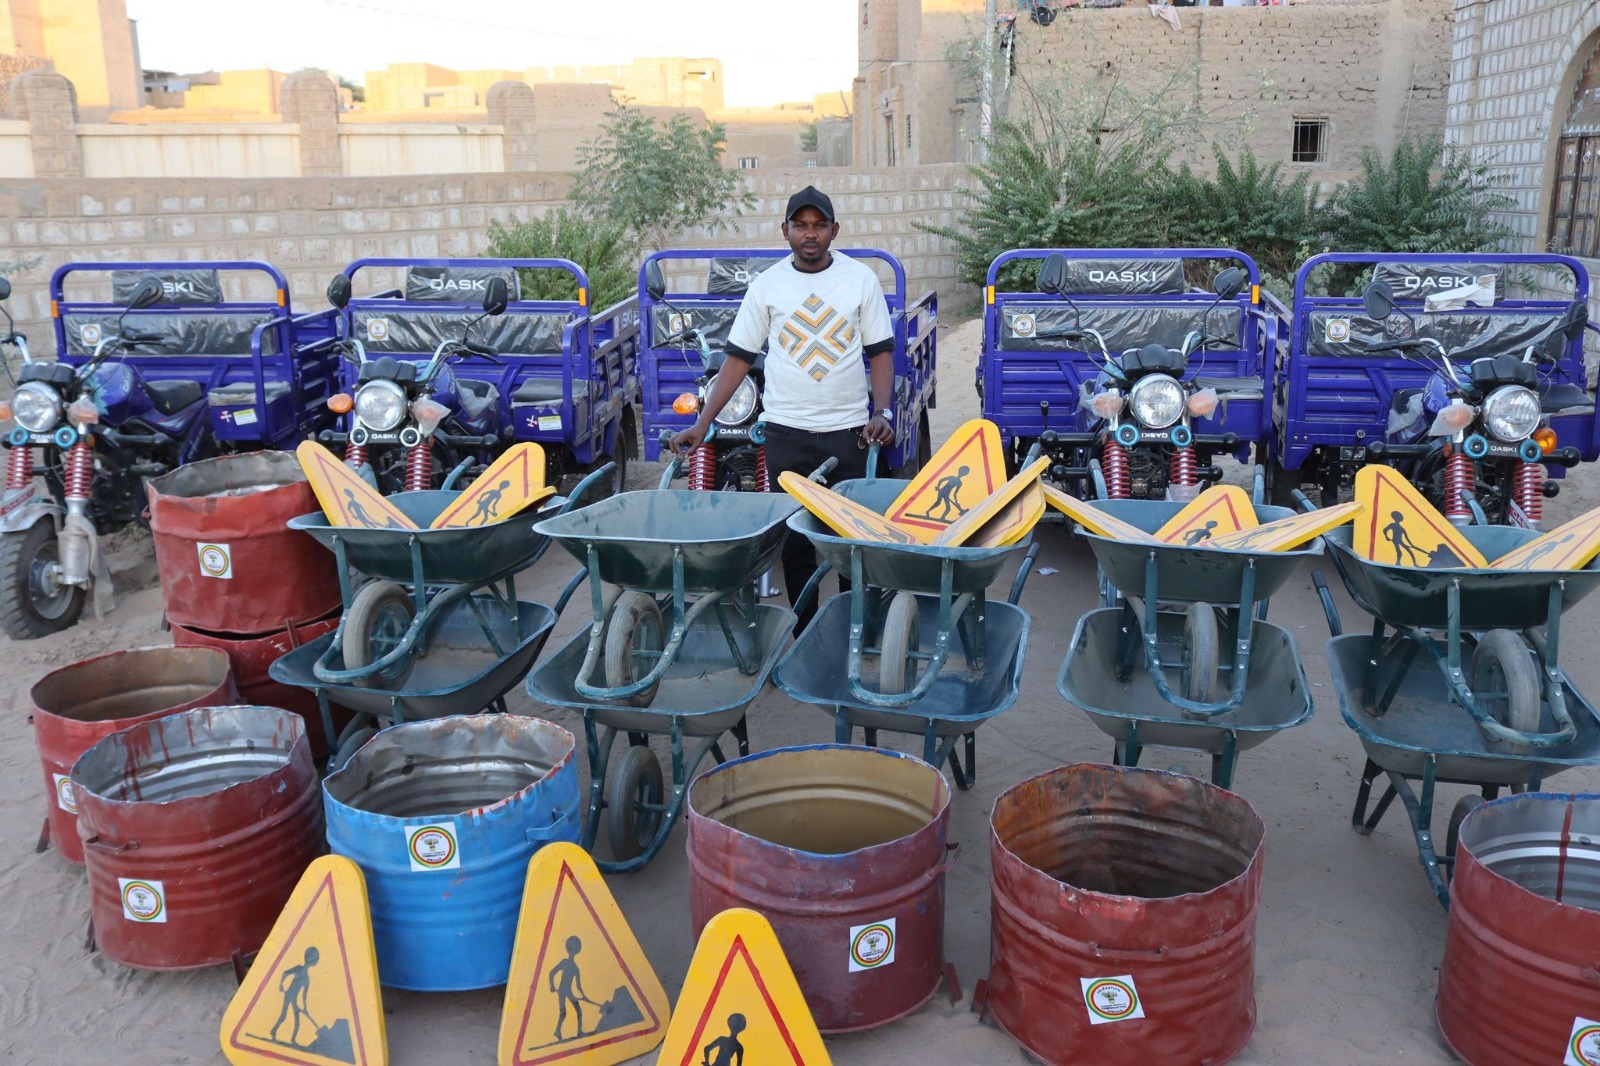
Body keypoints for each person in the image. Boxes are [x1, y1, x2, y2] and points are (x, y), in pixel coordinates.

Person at [669, 186, 897, 628]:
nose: (810, 234)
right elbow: (738, 358)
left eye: (819, 225)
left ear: (834, 230)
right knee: (794, 544)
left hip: (848, 431)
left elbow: (881, 353)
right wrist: (702, 424)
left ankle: (850, 630)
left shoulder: (860, 280)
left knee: (849, 540)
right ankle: (805, 631)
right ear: (785, 230)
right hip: (785, 434)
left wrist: (882, 412)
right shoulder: (768, 286)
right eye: (801, 225)